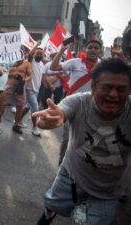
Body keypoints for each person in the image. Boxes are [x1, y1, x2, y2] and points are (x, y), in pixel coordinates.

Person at [32, 58, 131, 225]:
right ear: (93, 88)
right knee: (51, 204)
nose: (114, 94)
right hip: (71, 174)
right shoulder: (79, 101)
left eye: (121, 89)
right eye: (106, 88)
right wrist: (52, 119)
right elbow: (61, 111)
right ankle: (48, 216)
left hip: (109, 190)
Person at [50, 40, 102, 165]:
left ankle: (78, 165)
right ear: (85, 49)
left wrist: (121, 56)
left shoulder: (103, 66)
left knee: (87, 138)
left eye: (96, 48)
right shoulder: (75, 62)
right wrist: (62, 49)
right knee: (68, 137)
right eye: (90, 47)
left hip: (93, 106)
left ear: (100, 51)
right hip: (72, 105)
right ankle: (62, 164)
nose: (93, 50)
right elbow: (53, 67)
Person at [4, 47, 32, 134]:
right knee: (3, 104)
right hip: (9, 85)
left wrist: (24, 80)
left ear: (24, 52)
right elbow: (4, 70)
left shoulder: (27, 63)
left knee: (20, 106)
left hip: (20, 86)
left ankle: (16, 125)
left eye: (22, 50)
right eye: (19, 50)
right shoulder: (10, 61)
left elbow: (30, 75)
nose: (21, 52)